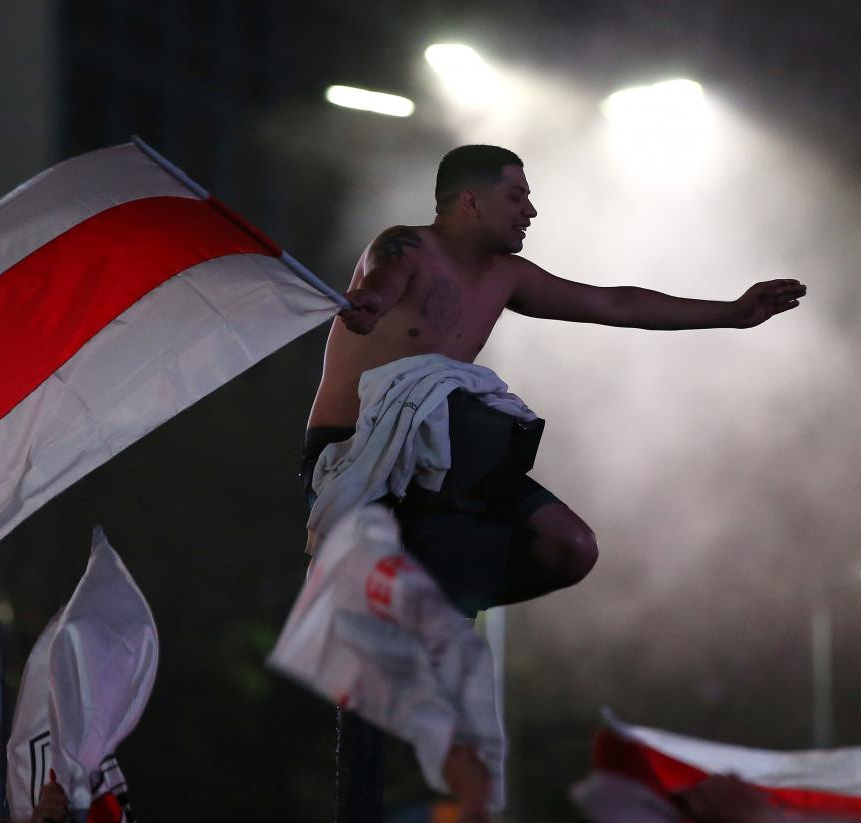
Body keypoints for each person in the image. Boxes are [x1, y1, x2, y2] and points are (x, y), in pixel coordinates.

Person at [301, 144, 806, 821]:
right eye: (517, 195)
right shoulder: (407, 247)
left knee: (572, 546)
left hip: (447, 459)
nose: (531, 209)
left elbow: (613, 303)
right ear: (470, 200)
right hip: (362, 451)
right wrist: (369, 302)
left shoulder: (507, 276)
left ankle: (440, 599)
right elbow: (384, 278)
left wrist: (729, 311)